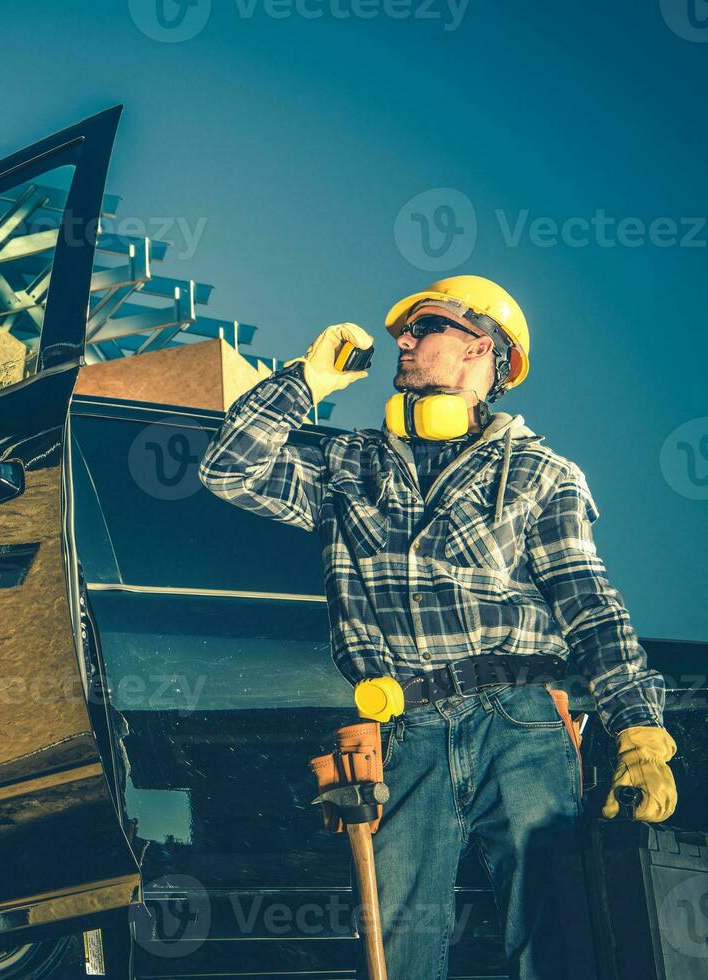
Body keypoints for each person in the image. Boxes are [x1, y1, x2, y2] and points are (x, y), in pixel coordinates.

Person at [197, 275, 678, 980]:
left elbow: (589, 604)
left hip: (522, 724)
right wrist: (302, 381)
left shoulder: (540, 473)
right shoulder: (347, 465)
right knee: (396, 951)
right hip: (404, 729)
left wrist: (638, 730)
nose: (403, 340)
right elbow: (228, 470)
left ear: (480, 347)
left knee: (549, 939)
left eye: (424, 327)